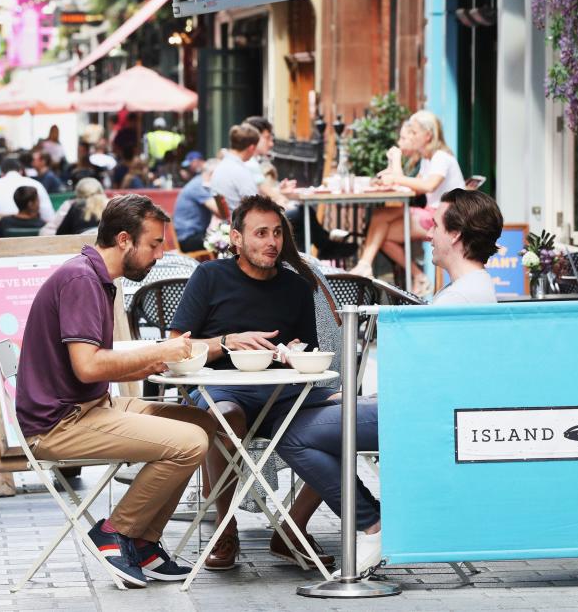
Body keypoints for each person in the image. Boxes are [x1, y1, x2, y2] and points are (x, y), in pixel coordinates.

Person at [274, 188, 505, 578]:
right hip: (428, 410)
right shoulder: (473, 289)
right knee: (316, 419)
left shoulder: (459, 300)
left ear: (456, 236)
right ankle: (368, 522)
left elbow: (427, 380)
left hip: (420, 417)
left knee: (293, 434)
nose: (427, 233)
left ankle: (373, 525)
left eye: (435, 225)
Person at [15, 195, 216, 587]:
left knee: (202, 425)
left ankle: (143, 542)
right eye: (155, 244)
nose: (161, 254)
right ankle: (115, 531)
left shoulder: (94, 277)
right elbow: (88, 366)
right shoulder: (82, 280)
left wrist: (153, 358)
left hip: (90, 407)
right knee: (190, 441)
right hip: (60, 424)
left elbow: (94, 363)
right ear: (124, 240)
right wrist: (157, 352)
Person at [168, 195, 337, 571]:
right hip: (220, 386)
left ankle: (291, 529)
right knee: (226, 416)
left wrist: (292, 351)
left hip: (284, 393)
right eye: (260, 233)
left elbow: (303, 347)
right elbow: (176, 345)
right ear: (237, 238)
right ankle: (224, 528)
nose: (271, 242)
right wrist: (228, 342)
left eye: (277, 233)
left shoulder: (296, 287)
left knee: (345, 424)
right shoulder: (210, 276)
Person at [350, 110, 465, 295]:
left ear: (427, 136)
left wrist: (395, 169)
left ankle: (376, 267)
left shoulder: (441, 157)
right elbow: (413, 188)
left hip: (445, 217)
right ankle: (369, 265)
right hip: (432, 212)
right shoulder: (428, 159)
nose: (411, 137)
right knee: (380, 224)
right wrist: (392, 175)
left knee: (382, 229)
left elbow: (427, 186)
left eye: (414, 133)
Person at [243, 116, 355, 260]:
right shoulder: (251, 163)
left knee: (300, 216)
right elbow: (271, 195)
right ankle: (323, 247)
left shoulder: (251, 161)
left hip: (254, 213)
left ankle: (313, 253)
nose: (271, 143)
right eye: (267, 138)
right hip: (256, 216)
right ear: (255, 137)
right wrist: (283, 198)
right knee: (302, 212)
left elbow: (266, 192)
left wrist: (281, 192)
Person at [0, 156, 54, 224]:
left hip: (4, 233)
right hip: (34, 233)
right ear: (21, 171)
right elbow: (48, 215)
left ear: (1, 173)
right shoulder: (36, 184)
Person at [174, 158, 222, 252]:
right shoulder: (198, 186)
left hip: (193, 234)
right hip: (188, 238)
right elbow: (220, 211)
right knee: (225, 241)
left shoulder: (200, 183)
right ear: (213, 174)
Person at [210, 124, 260, 214]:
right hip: (241, 223)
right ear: (251, 148)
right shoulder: (240, 171)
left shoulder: (221, 167)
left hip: (229, 222)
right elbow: (254, 205)